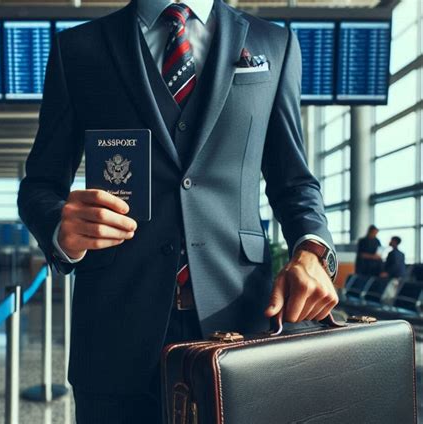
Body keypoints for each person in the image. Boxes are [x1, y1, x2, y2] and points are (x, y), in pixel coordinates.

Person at [18, 0, 339, 421]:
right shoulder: (79, 48)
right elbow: (40, 185)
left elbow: (293, 180)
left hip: (241, 318)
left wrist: (313, 249)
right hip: (116, 323)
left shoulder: (273, 43)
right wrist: (62, 227)